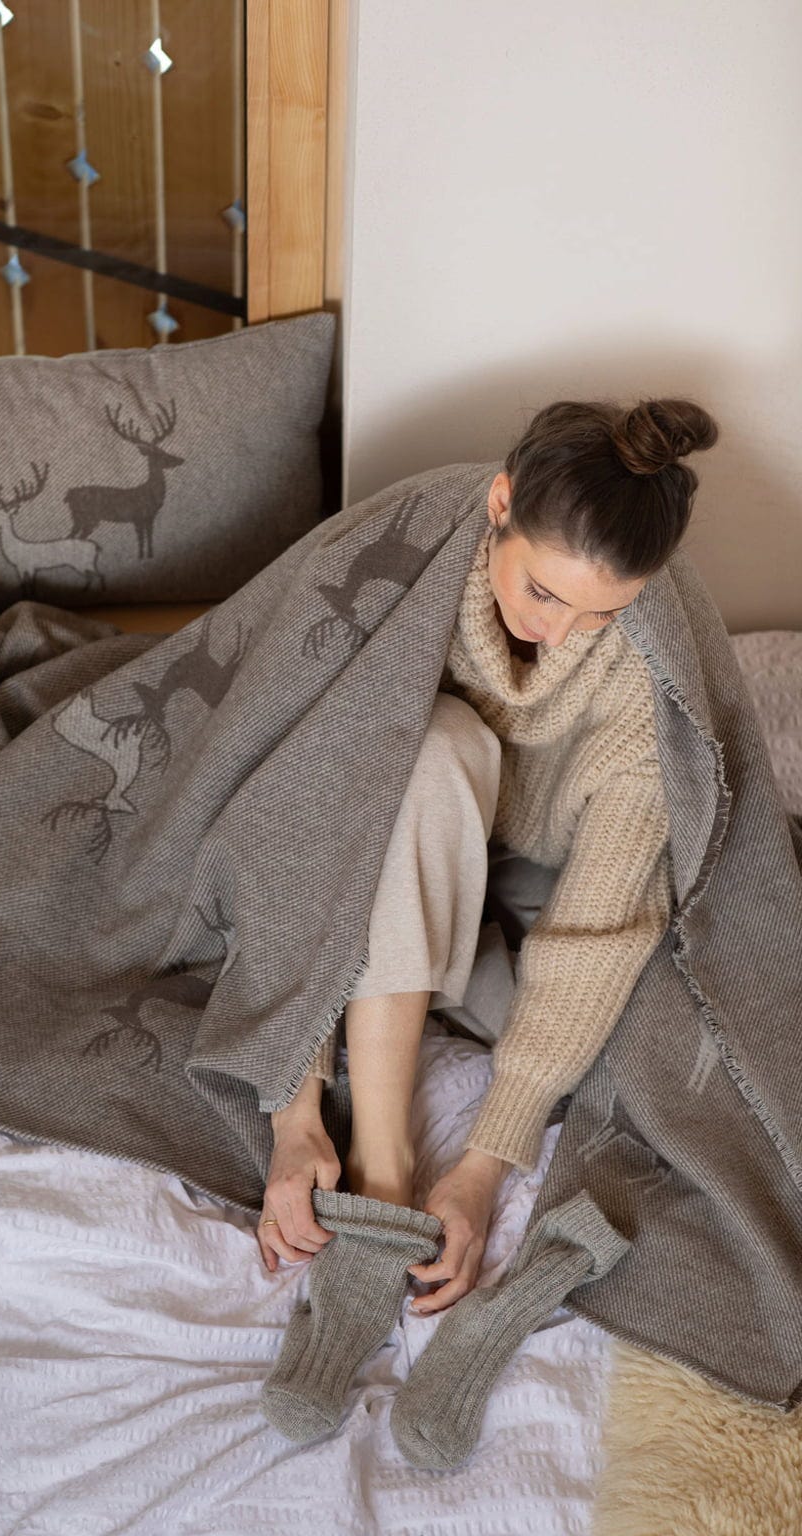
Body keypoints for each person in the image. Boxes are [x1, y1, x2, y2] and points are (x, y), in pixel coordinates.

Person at [255, 396, 720, 1311]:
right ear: (500, 503)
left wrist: (482, 1168)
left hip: (530, 884)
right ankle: (382, 1160)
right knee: (436, 742)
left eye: (601, 612)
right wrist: (294, 1107)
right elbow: (296, 807)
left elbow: (597, 932)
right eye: (543, 592)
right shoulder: (409, 561)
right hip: (382, 829)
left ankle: (410, 1031)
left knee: (665, 1069)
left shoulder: (641, 685)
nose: (558, 630)